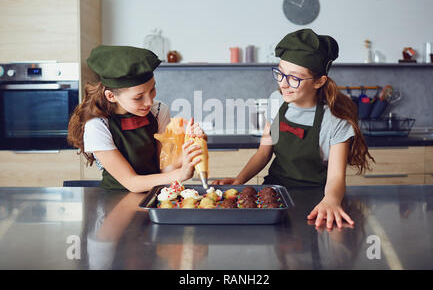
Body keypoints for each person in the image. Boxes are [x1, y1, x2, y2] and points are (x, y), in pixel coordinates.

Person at [213, 29, 374, 229]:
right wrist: (239, 180)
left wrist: (331, 200)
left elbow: (335, 177)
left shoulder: (334, 121)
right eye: (280, 73)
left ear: (319, 81)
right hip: (273, 194)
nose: (283, 84)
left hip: (317, 201)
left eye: (294, 78)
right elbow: (263, 154)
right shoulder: (275, 101)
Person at [68, 45, 205, 192]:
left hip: (158, 195)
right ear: (111, 96)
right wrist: (180, 174)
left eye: (152, 90)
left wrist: (185, 156)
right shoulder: (97, 125)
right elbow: (132, 183)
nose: (149, 102)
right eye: (138, 97)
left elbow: (164, 167)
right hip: (116, 202)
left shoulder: (159, 111)